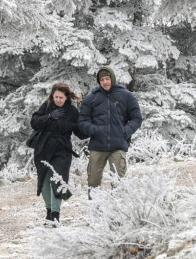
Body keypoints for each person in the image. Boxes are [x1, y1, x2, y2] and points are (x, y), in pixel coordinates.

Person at [77, 66, 143, 195]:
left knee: (119, 183)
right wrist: (94, 130)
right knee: (93, 182)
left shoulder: (126, 95)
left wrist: (124, 132)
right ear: (99, 81)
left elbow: (137, 118)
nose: (105, 82)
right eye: (102, 79)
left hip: (118, 146)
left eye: (107, 78)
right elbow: (82, 120)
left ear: (112, 78)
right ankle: (94, 210)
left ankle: (118, 211)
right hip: (97, 147)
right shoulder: (92, 98)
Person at [29, 82, 84, 226]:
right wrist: (49, 117)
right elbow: (34, 122)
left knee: (58, 180)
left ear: (67, 97)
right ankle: (48, 212)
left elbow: (80, 133)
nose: (58, 100)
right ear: (52, 96)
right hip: (44, 148)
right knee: (45, 181)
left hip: (63, 149)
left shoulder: (72, 112)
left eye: (61, 97)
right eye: (56, 97)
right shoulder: (47, 106)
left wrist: (90, 125)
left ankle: (55, 214)